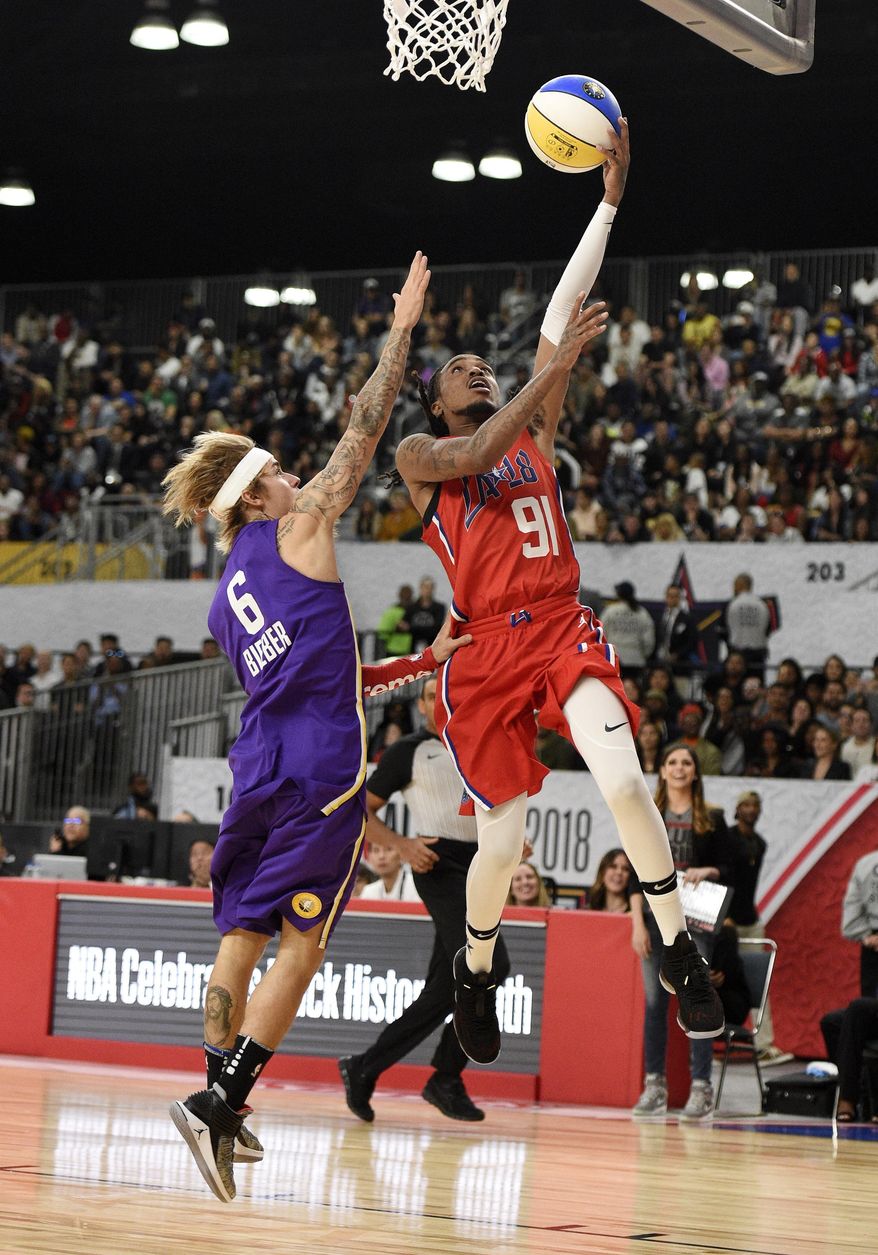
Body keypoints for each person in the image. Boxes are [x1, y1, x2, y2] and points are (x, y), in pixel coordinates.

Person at [392, 121, 723, 1068]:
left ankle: (677, 946)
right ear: (435, 398)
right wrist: (545, 372)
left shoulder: (535, 428)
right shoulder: (422, 456)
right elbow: (478, 447)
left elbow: (564, 303)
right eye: (460, 369)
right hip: (485, 651)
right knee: (502, 842)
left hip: (561, 625)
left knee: (623, 780)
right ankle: (477, 967)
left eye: (485, 365)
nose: (476, 367)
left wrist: (608, 202)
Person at [160, 251, 431, 1203]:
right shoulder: (301, 523)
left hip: (259, 765)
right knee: (304, 943)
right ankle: (221, 1102)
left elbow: (309, 670)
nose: (292, 475)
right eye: (276, 470)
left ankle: (215, 1095)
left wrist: (414, 662)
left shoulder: (221, 600)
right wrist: (400, 332)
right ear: (255, 494)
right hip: (322, 768)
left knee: (241, 928)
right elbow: (366, 427)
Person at [339, 673, 507, 1125]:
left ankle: (364, 1068)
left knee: (445, 988)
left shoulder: (478, 742)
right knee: (489, 963)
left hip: (482, 862)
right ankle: (445, 1077)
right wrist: (402, 845)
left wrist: (509, 842)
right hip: (438, 863)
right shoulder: (409, 750)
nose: (440, 701)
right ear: (420, 705)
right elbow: (360, 809)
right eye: (431, 695)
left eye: (447, 693)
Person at [630, 743, 738, 1122]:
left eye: (686, 763)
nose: (679, 768)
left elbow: (731, 868)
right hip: (653, 919)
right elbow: (634, 871)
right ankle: (654, 1085)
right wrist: (636, 922)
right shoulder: (648, 812)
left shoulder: (712, 818)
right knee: (655, 1004)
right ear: (662, 770)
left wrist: (708, 871)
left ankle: (701, 1087)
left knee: (697, 998)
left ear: (695, 772)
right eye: (672, 762)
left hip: (696, 921)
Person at [725, 791, 792, 1065]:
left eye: (755, 805)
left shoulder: (760, 844)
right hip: (727, 922)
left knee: (759, 981)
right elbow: (724, 878)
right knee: (720, 978)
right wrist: (724, 915)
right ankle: (711, 1042)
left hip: (751, 920)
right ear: (737, 808)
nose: (751, 810)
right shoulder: (727, 839)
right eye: (746, 805)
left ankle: (763, 1044)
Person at [598, 581, 656, 682]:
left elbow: (601, 634)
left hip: (613, 659)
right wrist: (643, 655)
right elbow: (649, 640)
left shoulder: (610, 611)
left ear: (618, 594)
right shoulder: (641, 613)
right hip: (636, 660)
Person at [724, 573, 772, 679]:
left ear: (739, 585)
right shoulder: (762, 604)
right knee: (756, 684)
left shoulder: (732, 604)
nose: (733, 589)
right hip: (758, 655)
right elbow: (768, 630)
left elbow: (724, 629)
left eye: (734, 585)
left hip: (736, 655)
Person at [407, 576, 447, 653]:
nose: (427, 590)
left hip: (432, 647)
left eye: (430, 587)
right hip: (412, 647)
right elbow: (403, 626)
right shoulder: (411, 607)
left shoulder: (439, 608)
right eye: (425, 587)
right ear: (420, 588)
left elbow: (436, 628)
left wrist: (413, 628)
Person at [588, 847, 632, 913]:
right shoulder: (588, 911)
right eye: (613, 866)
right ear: (602, 872)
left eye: (625, 868)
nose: (619, 872)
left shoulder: (638, 914)